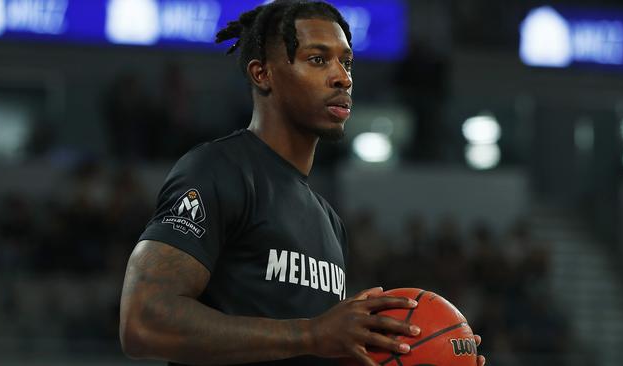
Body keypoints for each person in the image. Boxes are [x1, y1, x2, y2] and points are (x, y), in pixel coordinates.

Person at [119, 1, 485, 365]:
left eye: (347, 61)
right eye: (318, 59)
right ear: (263, 74)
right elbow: (144, 321)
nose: (343, 77)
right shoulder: (217, 169)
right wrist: (311, 333)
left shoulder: (328, 219)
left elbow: (307, 349)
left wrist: (430, 355)